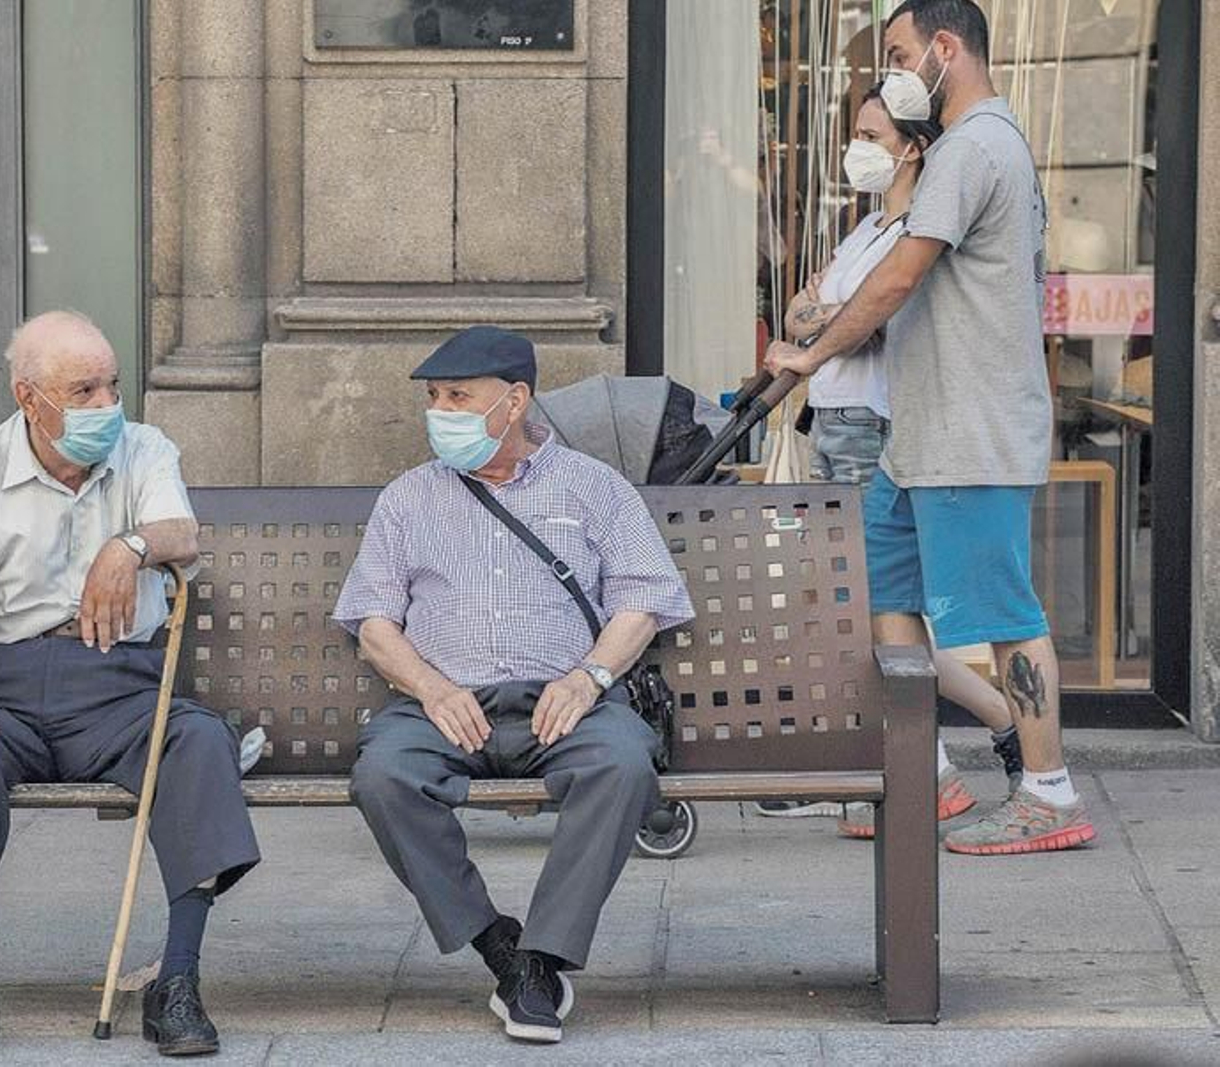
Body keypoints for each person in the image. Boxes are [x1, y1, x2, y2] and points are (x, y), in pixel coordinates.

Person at [765, 0, 1095, 855]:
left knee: (1005, 615)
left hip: (970, 431)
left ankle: (1049, 792)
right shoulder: (973, 149)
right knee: (882, 601)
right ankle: (927, 773)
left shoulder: (974, 148)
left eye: (905, 54)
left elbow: (896, 282)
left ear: (947, 50)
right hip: (921, 437)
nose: (899, 71)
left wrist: (811, 353)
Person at [0, 311, 260, 1057]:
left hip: (119, 687)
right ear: (28, 397)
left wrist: (128, 546)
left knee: (198, 741)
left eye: (111, 384)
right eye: (83, 389)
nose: (107, 404)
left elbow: (182, 533)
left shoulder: (144, 450)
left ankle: (177, 980)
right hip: (6, 684)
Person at [334, 326, 694, 1043]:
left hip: (563, 699)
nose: (442, 411)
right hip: (441, 704)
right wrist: (432, 688)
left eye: (459, 397)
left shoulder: (593, 486)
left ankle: (545, 954)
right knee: (383, 776)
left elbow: (644, 600)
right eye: (434, 398)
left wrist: (589, 678)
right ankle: (497, 944)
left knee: (623, 764)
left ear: (515, 400)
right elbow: (372, 622)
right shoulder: (409, 498)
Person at [756, 82, 1027, 836]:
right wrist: (826, 318)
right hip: (833, 422)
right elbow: (805, 312)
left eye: (872, 135)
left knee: (856, 611)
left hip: (870, 425)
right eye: (856, 133)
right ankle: (994, 723)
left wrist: (827, 319)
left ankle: (912, 769)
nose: (858, 149)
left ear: (912, 146)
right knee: (861, 612)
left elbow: (866, 320)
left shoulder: (917, 233)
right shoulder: (867, 227)